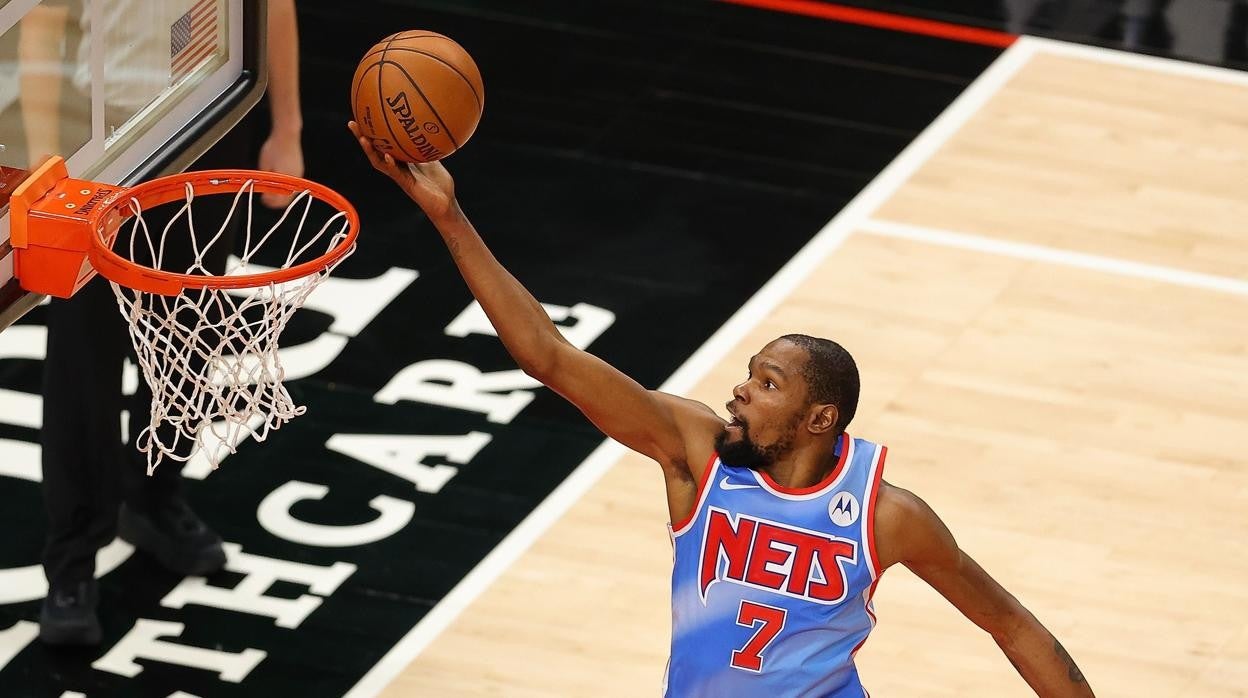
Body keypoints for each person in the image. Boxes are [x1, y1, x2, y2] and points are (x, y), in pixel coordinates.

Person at [347, 123, 1096, 697]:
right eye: (748, 375)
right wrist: (449, 217)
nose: (740, 390)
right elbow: (548, 356)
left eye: (768, 383)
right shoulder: (694, 453)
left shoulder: (885, 515)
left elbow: (1011, 624)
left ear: (819, 419)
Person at [36, 0, 304, 646]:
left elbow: (275, 4)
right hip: (103, 134)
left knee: (187, 333)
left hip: (207, 117)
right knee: (84, 363)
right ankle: (71, 565)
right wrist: (47, 169)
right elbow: (43, 20)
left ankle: (153, 496)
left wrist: (287, 126)